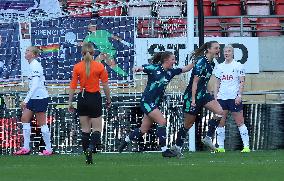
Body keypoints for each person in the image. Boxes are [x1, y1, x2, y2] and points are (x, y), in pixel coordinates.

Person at [118, 51, 194, 157]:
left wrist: (194, 61)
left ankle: (125, 140)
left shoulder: (171, 72)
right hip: (147, 101)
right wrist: (137, 68)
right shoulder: (154, 68)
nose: (174, 61)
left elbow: (185, 69)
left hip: (154, 103)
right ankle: (164, 151)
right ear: (166, 60)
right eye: (172, 59)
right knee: (162, 121)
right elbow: (142, 68)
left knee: (143, 129)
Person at [171, 41, 224, 156]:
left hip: (203, 95)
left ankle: (208, 137)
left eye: (219, 48)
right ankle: (177, 147)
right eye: (216, 48)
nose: (218, 50)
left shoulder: (212, 64)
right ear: (209, 50)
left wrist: (210, 93)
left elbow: (206, 80)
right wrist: (194, 100)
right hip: (192, 96)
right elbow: (195, 82)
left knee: (220, 111)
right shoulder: (201, 62)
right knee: (188, 124)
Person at [68, 42, 111, 164]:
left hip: (82, 98)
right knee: (97, 128)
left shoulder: (77, 67)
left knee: (85, 129)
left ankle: (87, 157)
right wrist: (108, 99)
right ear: (93, 53)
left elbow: (72, 86)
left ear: (82, 53)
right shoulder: (99, 66)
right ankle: (91, 148)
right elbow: (105, 85)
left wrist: (70, 102)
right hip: (95, 98)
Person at [203, 44, 250, 153]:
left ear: (232, 53)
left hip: (234, 98)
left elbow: (242, 81)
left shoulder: (238, 65)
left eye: (229, 51)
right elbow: (217, 82)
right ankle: (221, 147)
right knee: (220, 123)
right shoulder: (220, 66)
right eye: (225, 51)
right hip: (221, 98)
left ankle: (246, 146)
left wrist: (239, 96)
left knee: (240, 122)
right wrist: (215, 96)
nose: (227, 53)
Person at [14, 46, 52, 156]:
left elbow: (35, 85)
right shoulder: (31, 65)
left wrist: (25, 100)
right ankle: (26, 148)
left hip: (40, 98)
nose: (25, 52)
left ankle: (48, 149)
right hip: (33, 98)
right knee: (24, 118)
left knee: (42, 123)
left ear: (34, 55)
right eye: (25, 51)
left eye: (28, 51)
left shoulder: (35, 65)